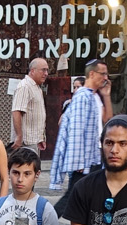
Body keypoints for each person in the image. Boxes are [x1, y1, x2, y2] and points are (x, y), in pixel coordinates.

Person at [50, 60, 108, 188]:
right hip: (84, 160)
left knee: (84, 197)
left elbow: (107, 120)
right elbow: (76, 129)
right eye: (102, 74)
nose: (105, 78)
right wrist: (78, 162)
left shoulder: (95, 96)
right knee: (76, 196)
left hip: (95, 154)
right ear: (92, 74)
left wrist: (106, 95)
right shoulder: (82, 97)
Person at [12, 58, 48, 151]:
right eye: (43, 70)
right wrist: (19, 137)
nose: (46, 73)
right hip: (25, 143)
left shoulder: (36, 87)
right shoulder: (25, 87)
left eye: (47, 70)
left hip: (33, 141)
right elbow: (16, 111)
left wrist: (41, 138)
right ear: (32, 71)